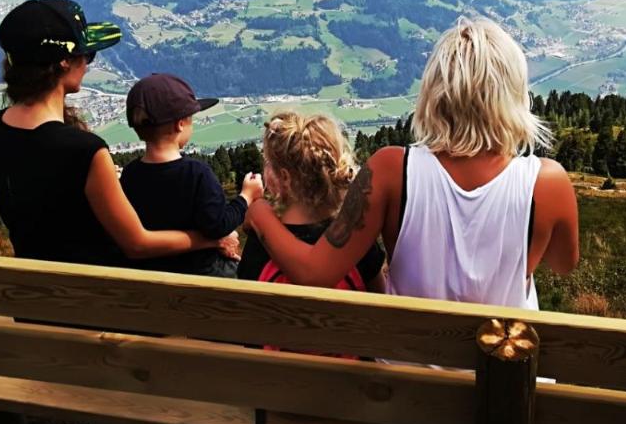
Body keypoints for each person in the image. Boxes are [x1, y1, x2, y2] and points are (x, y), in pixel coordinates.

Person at [244, 17, 579, 311]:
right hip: (503, 358)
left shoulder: (391, 170)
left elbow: (315, 273)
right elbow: (563, 264)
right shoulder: (548, 182)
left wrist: (259, 213)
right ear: (513, 94)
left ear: (435, 92)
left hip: (406, 361)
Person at [0, 0, 221, 267]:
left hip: (31, 286)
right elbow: (138, 245)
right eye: (87, 55)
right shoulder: (85, 150)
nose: (88, 64)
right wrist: (210, 240)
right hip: (92, 289)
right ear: (64, 61)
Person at [120, 73, 263, 278]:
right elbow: (218, 226)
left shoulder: (130, 174)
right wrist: (246, 197)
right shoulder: (197, 174)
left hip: (148, 274)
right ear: (180, 124)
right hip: (198, 273)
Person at [238, 111, 386, 295]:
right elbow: (380, 297)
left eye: (268, 162)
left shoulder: (260, 244)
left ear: (284, 177)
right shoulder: (353, 239)